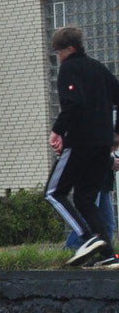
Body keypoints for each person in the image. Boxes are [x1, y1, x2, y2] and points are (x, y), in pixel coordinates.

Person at [45, 25, 119, 267]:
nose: (58, 57)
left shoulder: (70, 68)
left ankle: (87, 239)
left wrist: (57, 130)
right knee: (86, 200)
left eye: (58, 52)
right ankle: (109, 255)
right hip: (102, 146)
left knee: (54, 192)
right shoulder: (99, 69)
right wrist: (116, 134)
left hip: (79, 144)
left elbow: (74, 103)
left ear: (70, 48)